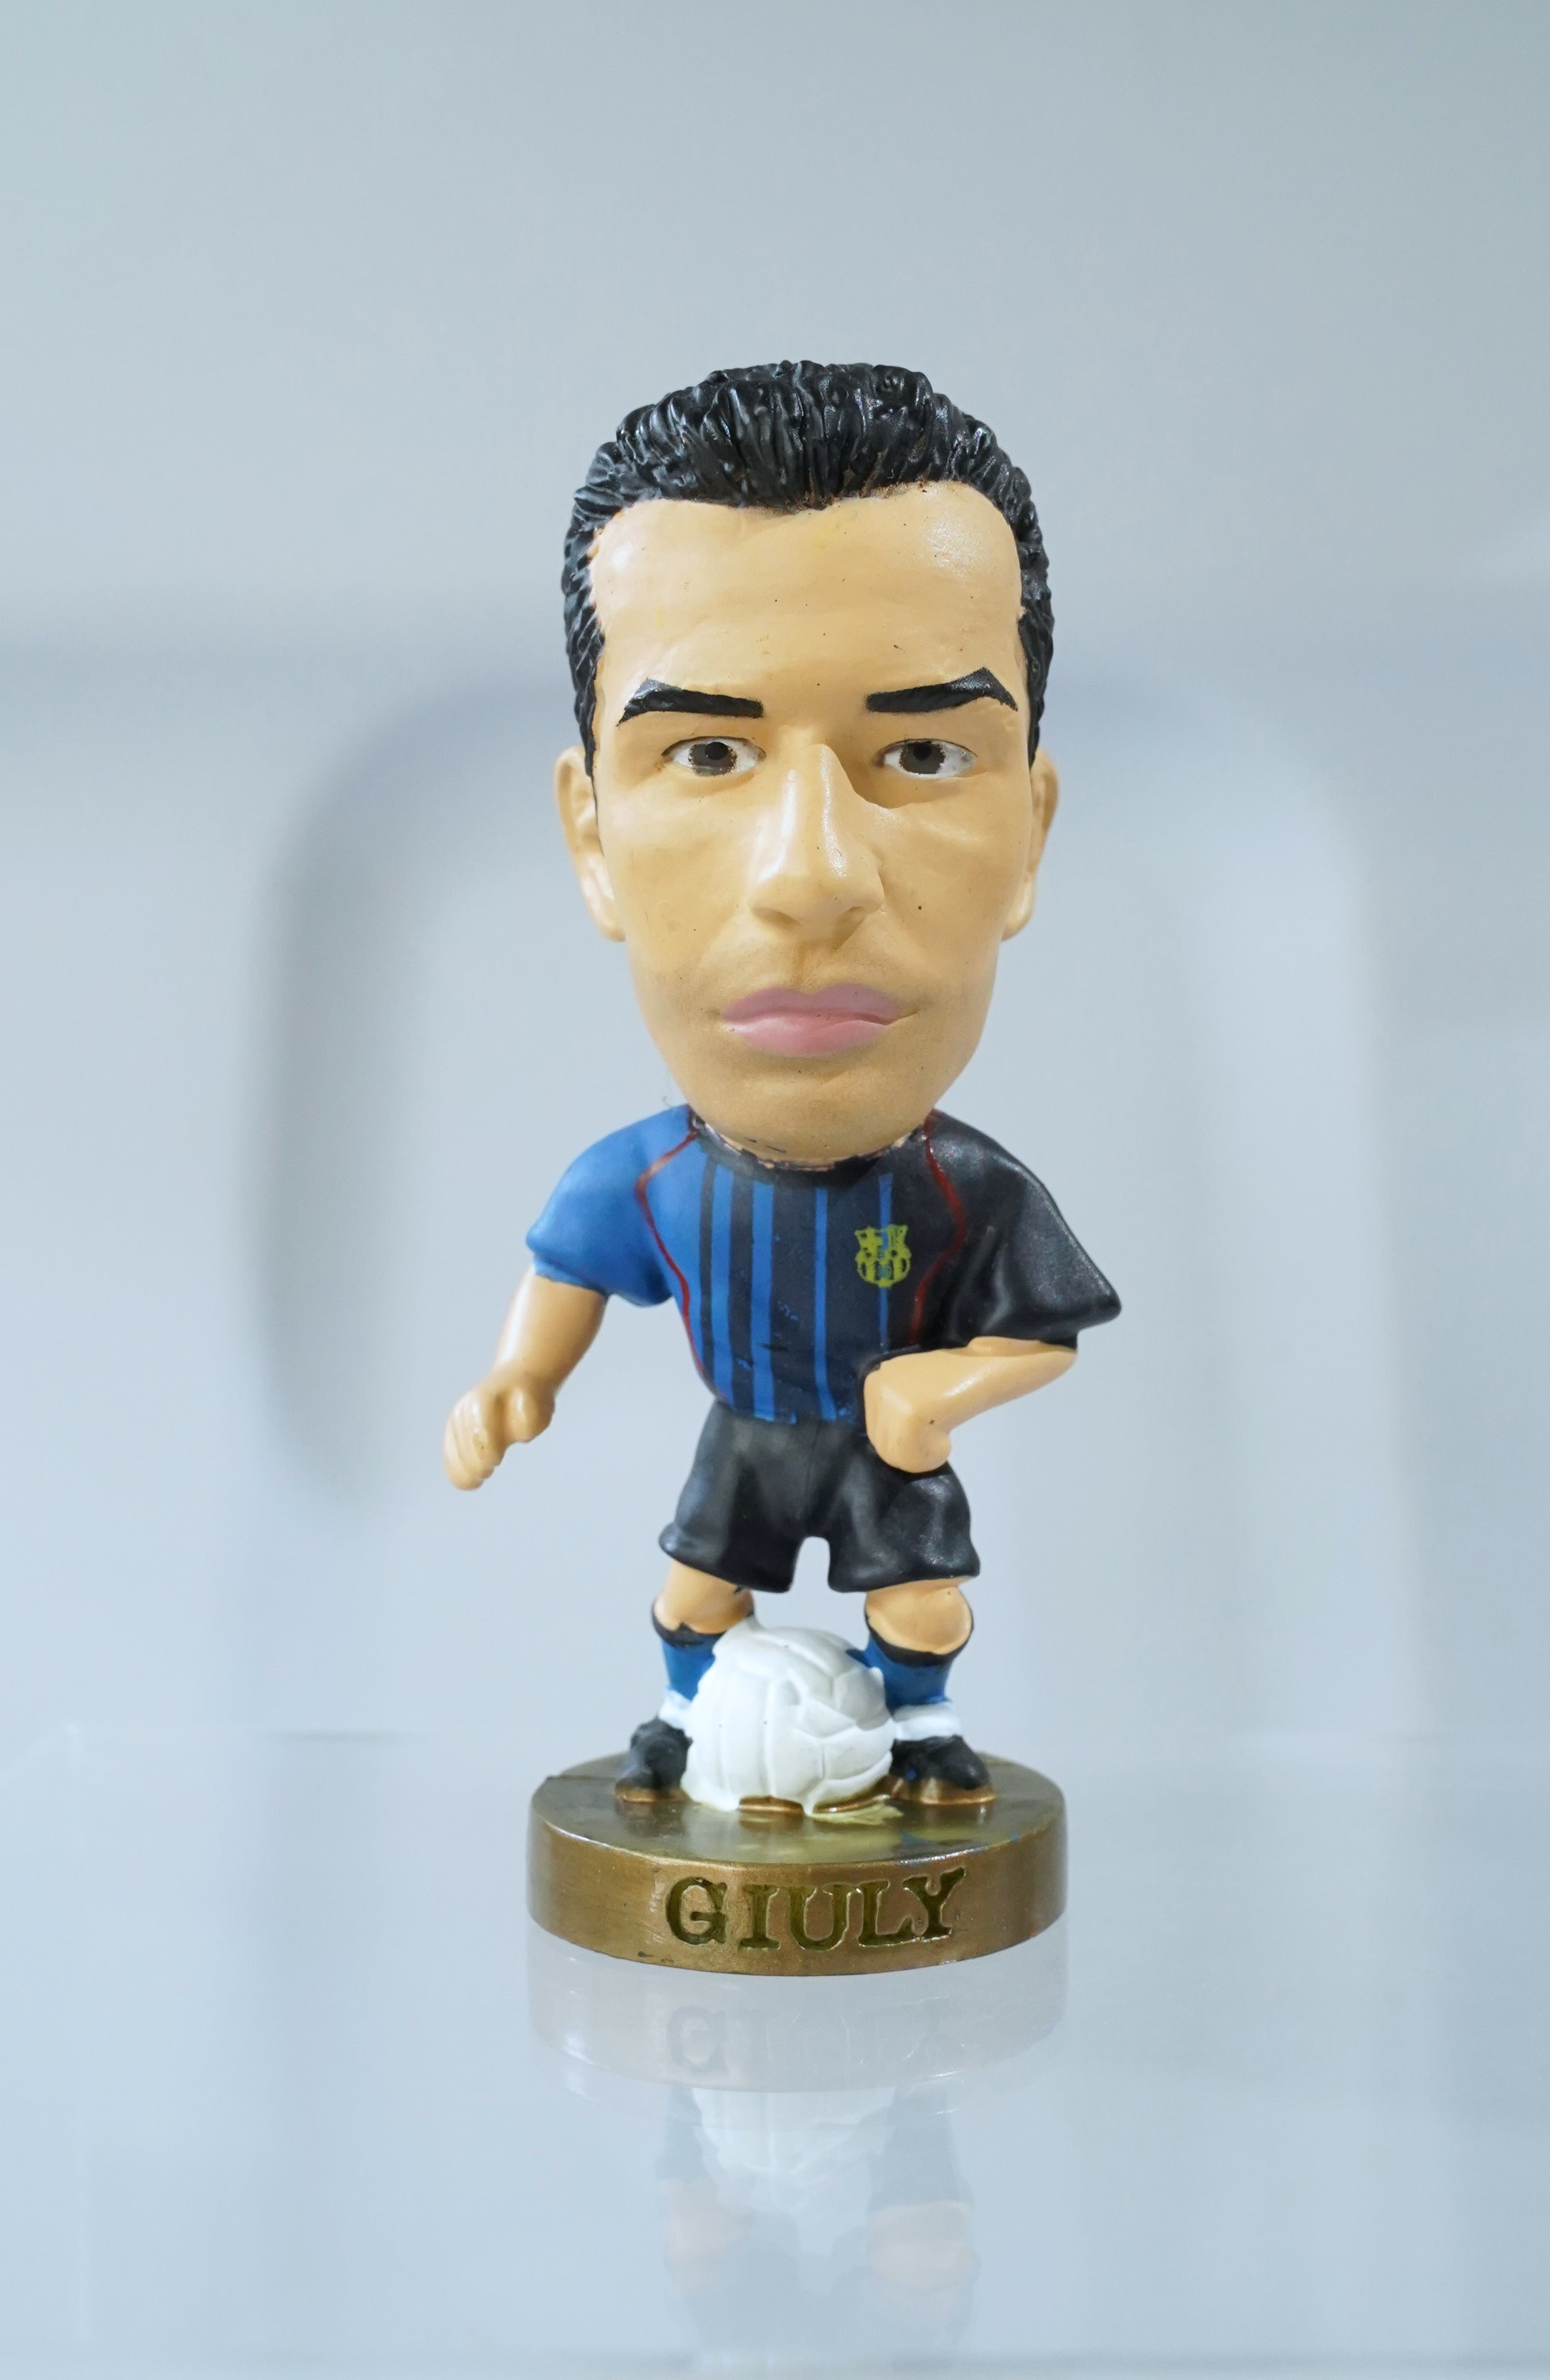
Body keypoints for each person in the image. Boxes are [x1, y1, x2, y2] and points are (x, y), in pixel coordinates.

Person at [443, 362, 1119, 1802]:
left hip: (885, 1442)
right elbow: (566, 1274)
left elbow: (1042, 1332)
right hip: (748, 1434)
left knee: (920, 1606)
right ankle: (682, 1718)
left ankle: (922, 1736)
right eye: (707, 753)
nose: (810, 875)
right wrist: (517, 1376)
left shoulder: (970, 1191)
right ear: (590, 838)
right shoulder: (651, 1176)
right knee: (695, 1591)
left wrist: (945, 1382)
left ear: (1031, 833)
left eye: (922, 752)